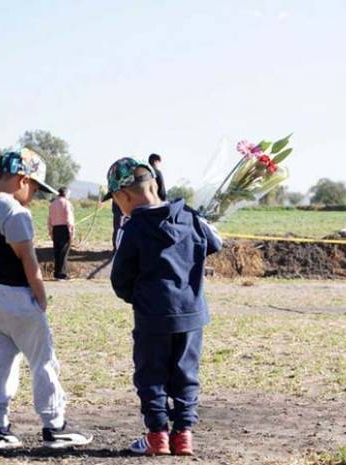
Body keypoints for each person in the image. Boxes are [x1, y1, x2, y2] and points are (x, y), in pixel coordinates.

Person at [0, 148, 93, 450]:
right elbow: (29, 262)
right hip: (17, 295)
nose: (34, 194)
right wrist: (41, 297)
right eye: (34, 187)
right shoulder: (15, 211)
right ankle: (54, 425)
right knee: (42, 360)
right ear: (22, 179)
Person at [105, 157, 221, 456]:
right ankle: (183, 435)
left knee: (150, 374)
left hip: (152, 316)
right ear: (155, 184)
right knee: (186, 374)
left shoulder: (132, 229)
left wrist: (138, 298)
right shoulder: (191, 217)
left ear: (123, 196)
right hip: (191, 313)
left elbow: (120, 278)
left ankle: (157, 436)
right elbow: (215, 244)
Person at [48, 187, 75, 280]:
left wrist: (50, 231)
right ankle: (62, 274)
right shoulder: (66, 203)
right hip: (64, 229)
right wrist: (71, 231)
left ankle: (57, 273)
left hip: (55, 229)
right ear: (66, 193)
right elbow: (69, 218)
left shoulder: (53, 203)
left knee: (57, 251)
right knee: (63, 252)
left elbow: (49, 219)